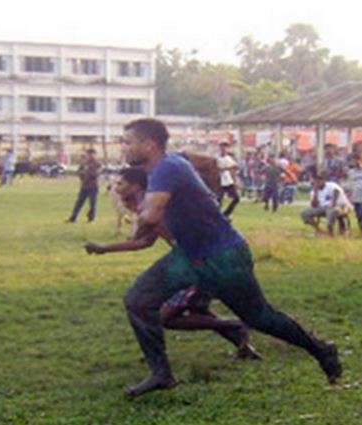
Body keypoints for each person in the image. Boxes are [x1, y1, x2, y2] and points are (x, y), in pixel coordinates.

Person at [118, 118, 341, 400]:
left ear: (149, 144)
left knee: (259, 317)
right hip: (190, 255)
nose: (122, 147)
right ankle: (162, 373)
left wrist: (137, 221)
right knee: (138, 300)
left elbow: (150, 216)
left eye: (127, 142)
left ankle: (321, 349)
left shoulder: (167, 168)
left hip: (222, 256)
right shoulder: (168, 166)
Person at [85, 167, 261, 360]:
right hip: (198, 260)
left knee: (166, 317)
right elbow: (144, 242)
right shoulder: (148, 205)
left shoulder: (155, 205)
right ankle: (244, 347)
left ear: (135, 186)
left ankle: (237, 325)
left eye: (121, 184)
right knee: (197, 311)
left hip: (200, 261)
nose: (116, 188)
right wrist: (104, 249)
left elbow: (145, 237)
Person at [301, 172, 353, 236]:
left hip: (340, 205)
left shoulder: (331, 185)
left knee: (331, 212)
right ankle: (319, 230)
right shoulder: (313, 192)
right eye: (315, 182)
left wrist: (333, 203)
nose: (317, 183)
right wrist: (315, 193)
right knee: (305, 214)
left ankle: (330, 230)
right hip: (323, 208)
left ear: (323, 181)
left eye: (319, 181)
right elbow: (314, 205)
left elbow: (336, 192)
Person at [67, 149, 102, 223]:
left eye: (91, 154)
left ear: (94, 155)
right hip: (84, 186)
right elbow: (79, 172)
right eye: (88, 154)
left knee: (92, 203)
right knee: (79, 202)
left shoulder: (97, 164)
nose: (89, 156)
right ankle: (73, 217)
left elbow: (96, 174)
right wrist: (82, 175)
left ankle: (91, 218)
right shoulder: (84, 163)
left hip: (93, 186)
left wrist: (87, 173)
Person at [216, 141, 240, 217]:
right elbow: (217, 169)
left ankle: (226, 213)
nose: (224, 149)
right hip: (219, 181)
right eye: (222, 147)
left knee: (236, 198)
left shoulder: (228, 158)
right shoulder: (216, 158)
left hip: (228, 180)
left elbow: (236, 167)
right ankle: (218, 215)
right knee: (219, 200)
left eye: (225, 147)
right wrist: (228, 168)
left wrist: (235, 180)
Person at [346, 154, 362, 236]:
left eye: (358, 160)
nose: (357, 162)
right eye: (355, 160)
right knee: (359, 215)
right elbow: (349, 184)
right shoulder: (351, 172)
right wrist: (348, 194)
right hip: (356, 196)